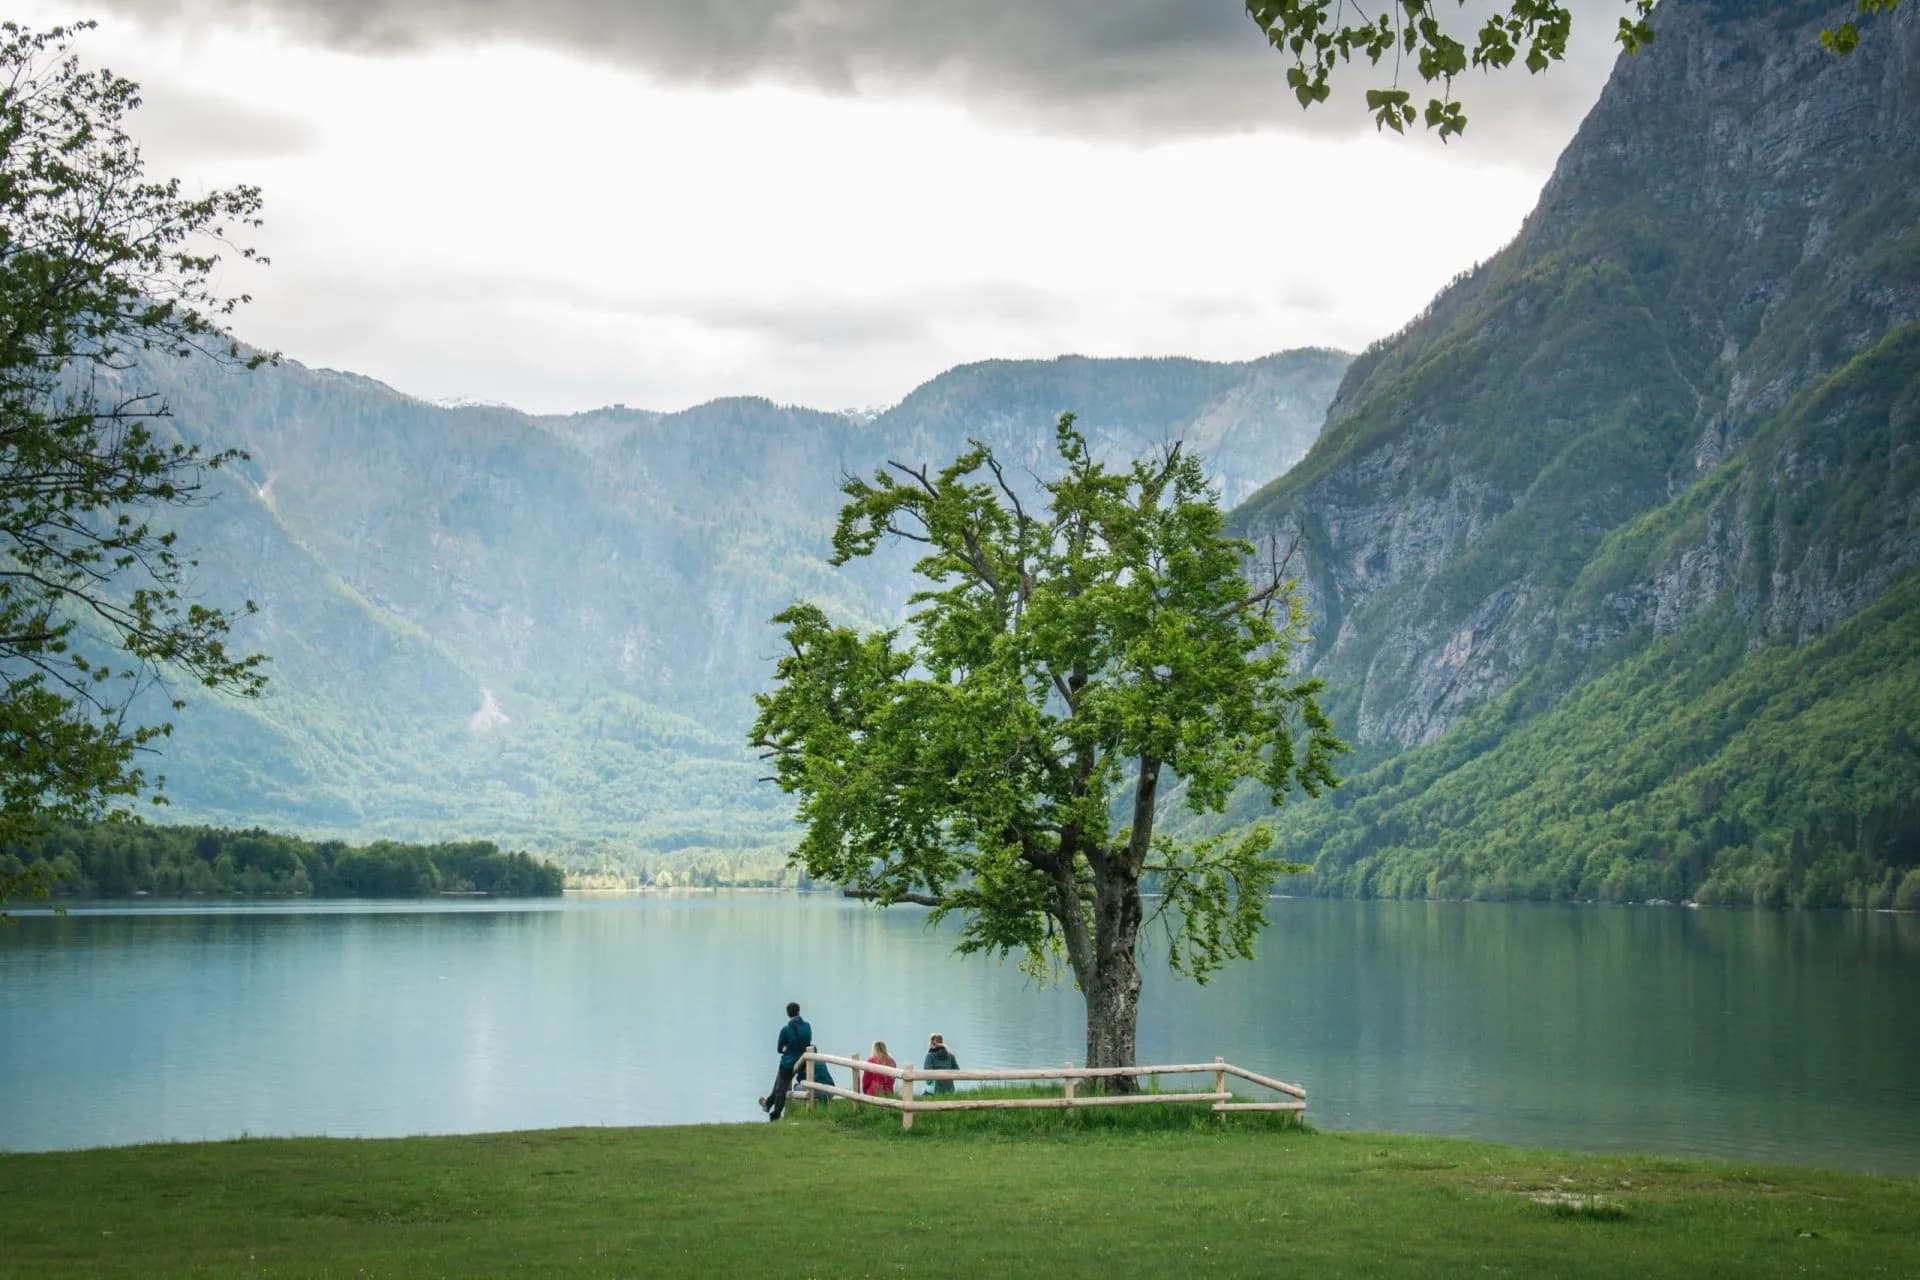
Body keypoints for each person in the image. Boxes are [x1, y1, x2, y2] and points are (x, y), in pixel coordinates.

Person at [758, 1001, 811, 1121]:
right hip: (802, 1061)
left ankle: (775, 1114)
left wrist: (786, 1048)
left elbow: (779, 1049)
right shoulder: (807, 1026)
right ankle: (768, 1104)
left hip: (788, 1063)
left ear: (788, 1014)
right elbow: (807, 1042)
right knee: (780, 1085)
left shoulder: (785, 1030)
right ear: (799, 1012)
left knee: (781, 1088)